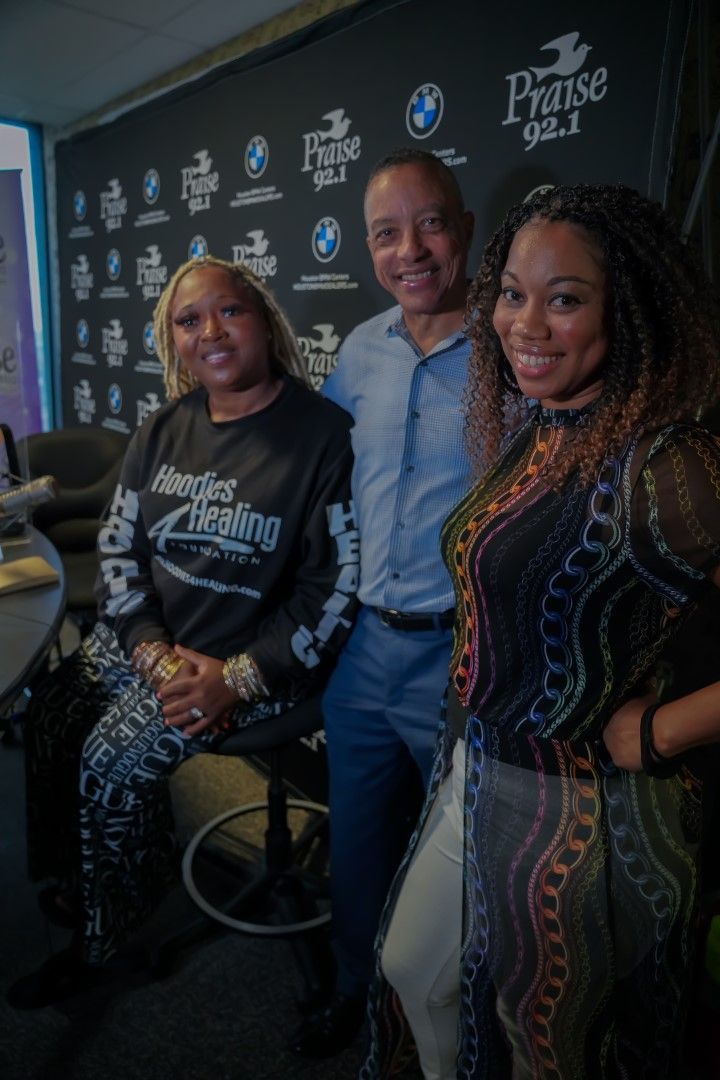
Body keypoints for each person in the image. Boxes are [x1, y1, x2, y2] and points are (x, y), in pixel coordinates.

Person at [365, 183, 720, 1079]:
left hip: (579, 817)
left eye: (563, 299)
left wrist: (660, 729)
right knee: (414, 968)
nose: (524, 324)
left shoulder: (665, 462)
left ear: (626, 306)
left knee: (547, 1047)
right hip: (481, 771)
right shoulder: (548, 423)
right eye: (512, 294)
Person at [9, 255, 357, 1008]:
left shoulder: (324, 436)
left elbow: (334, 591)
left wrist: (236, 677)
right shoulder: (163, 428)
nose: (211, 331)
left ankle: (104, 942)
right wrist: (147, 649)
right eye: (189, 320)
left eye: (228, 311)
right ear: (174, 342)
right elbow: (117, 548)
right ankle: (80, 881)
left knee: (107, 761)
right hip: (152, 647)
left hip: (251, 671)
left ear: (264, 319)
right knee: (50, 717)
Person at [289, 148, 475, 1057]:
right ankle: (360, 1003)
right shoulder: (360, 350)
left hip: (463, 659)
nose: (410, 249)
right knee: (357, 847)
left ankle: (452, 1023)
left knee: (462, 864)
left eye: (429, 222)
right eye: (386, 232)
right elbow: (323, 479)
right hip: (364, 650)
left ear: (466, 228)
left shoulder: (519, 348)